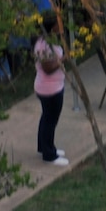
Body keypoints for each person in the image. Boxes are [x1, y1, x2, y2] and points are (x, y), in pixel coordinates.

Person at [33, 17, 69, 166]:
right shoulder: (44, 46)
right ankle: (49, 154)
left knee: (46, 118)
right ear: (50, 28)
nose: (59, 28)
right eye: (57, 25)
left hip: (51, 86)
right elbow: (47, 68)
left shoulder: (48, 42)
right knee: (50, 120)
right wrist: (64, 59)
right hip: (50, 89)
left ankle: (45, 146)